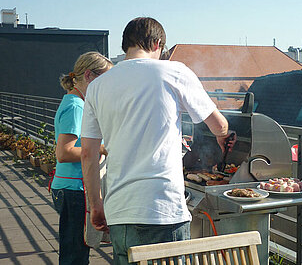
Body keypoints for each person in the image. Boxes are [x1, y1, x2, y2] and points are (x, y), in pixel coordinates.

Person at [80, 17, 235, 265]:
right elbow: (220, 124)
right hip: (163, 210)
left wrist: (95, 206)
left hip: (119, 211)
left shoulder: (97, 87)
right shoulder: (174, 71)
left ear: (125, 45)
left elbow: (87, 154)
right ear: (157, 44)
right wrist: (222, 135)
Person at [51, 51, 113, 265]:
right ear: (88, 76)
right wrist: (101, 149)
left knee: (75, 251)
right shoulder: (76, 107)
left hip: (70, 188)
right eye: (104, 80)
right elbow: (64, 152)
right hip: (73, 191)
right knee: (75, 255)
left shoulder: (73, 102)